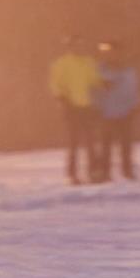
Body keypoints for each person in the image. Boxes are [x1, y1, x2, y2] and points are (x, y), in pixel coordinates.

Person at [49, 35, 103, 184]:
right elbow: (56, 84)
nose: (80, 47)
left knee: (91, 141)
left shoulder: (89, 62)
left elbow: (94, 80)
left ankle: (94, 171)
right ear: (70, 47)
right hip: (71, 108)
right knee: (74, 142)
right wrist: (61, 99)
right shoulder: (61, 64)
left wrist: (102, 85)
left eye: (82, 44)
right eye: (76, 45)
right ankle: (72, 174)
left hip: (88, 107)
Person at [95, 41, 139, 181]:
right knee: (105, 144)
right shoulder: (100, 70)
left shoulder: (128, 70)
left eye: (115, 51)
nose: (112, 55)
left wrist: (134, 106)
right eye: (109, 52)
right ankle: (105, 172)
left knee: (126, 144)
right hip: (106, 111)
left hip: (125, 111)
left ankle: (127, 170)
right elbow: (94, 90)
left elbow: (133, 90)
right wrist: (97, 106)